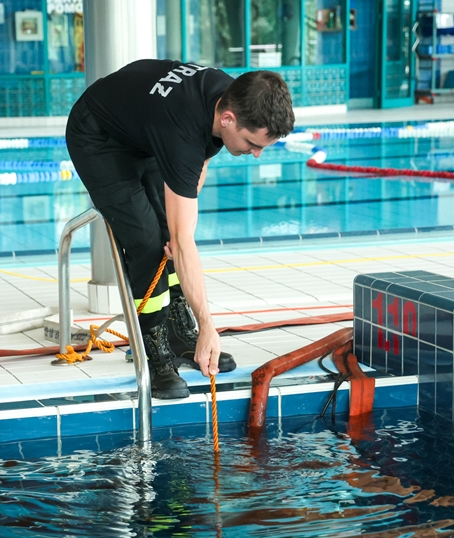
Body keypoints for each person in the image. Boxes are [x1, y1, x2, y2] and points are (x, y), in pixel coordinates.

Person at [66, 60, 295, 398]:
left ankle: (177, 329)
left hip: (146, 128)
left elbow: (197, 163)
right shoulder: (183, 128)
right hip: (98, 135)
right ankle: (153, 345)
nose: (257, 155)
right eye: (253, 143)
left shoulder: (232, 97)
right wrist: (208, 327)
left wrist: (179, 221)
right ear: (228, 120)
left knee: (169, 228)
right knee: (147, 240)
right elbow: (184, 241)